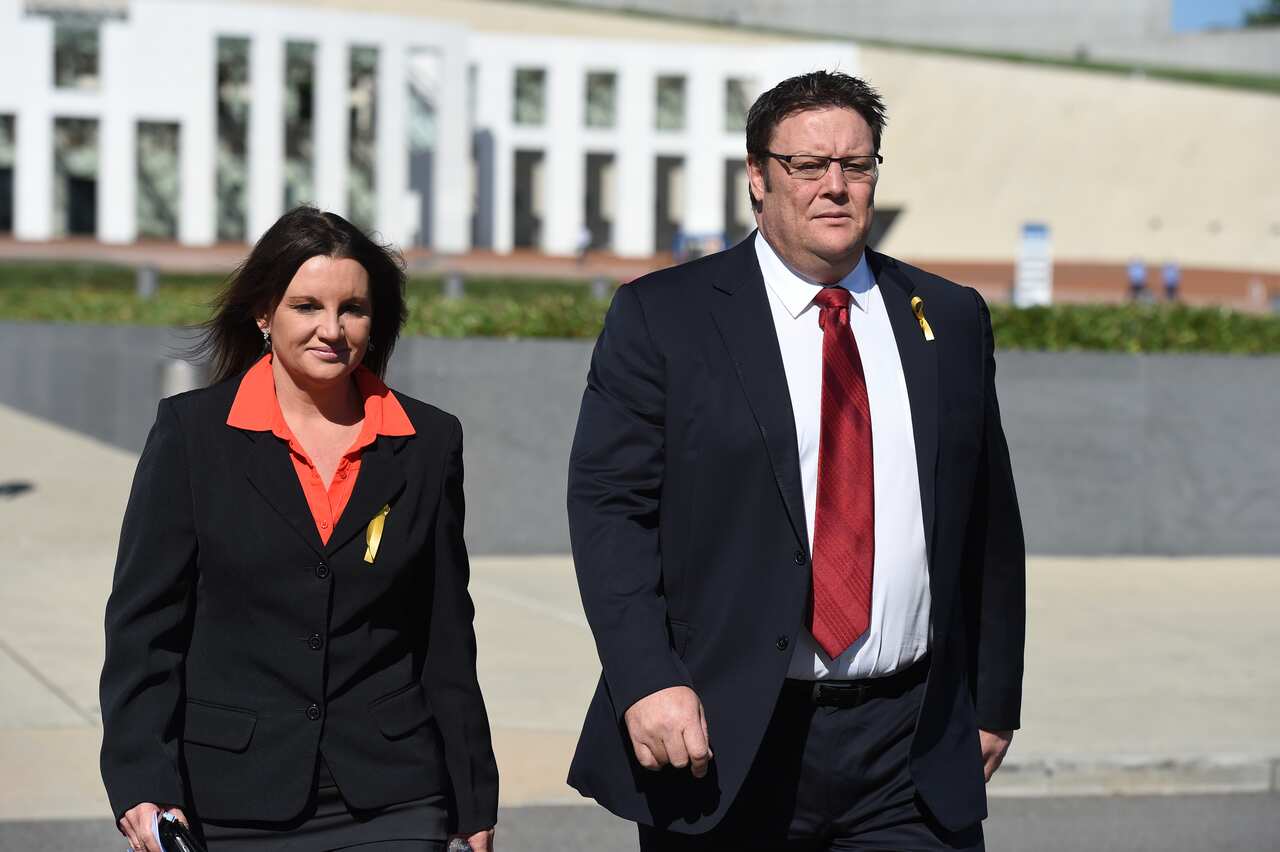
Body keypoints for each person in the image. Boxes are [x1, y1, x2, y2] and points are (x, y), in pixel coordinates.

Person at [566, 71, 1025, 850]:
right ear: (758, 176)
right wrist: (645, 678)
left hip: (908, 746)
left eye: (857, 164)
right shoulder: (666, 316)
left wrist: (992, 698)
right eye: (808, 165)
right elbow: (611, 510)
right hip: (728, 735)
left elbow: (989, 519)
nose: (835, 186)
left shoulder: (948, 318)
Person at [100, 206, 498, 852]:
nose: (331, 329)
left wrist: (473, 798)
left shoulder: (427, 441)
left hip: (394, 793)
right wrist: (142, 780)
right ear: (264, 312)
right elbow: (144, 629)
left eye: (353, 309)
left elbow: (445, 632)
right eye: (307, 306)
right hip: (231, 798)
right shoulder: (192, 435)